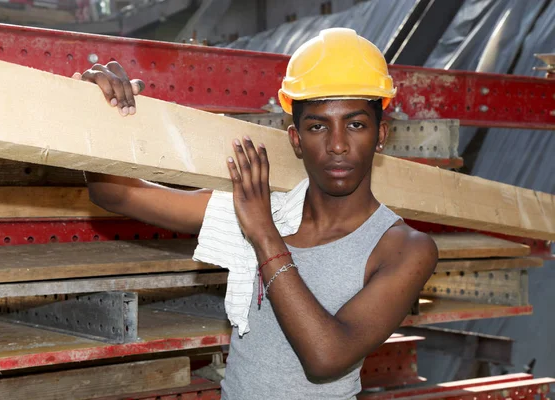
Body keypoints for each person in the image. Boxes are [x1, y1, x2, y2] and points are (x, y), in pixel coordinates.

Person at [78, 28, 438, 399]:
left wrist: (264, 235)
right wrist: (96, 111)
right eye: (317, 126)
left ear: (381, 135)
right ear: (296, 139)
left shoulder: (403, 248)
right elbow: (115, 194)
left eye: (356, 124)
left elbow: (327, 357)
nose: (337, 145)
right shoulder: (266, 209)